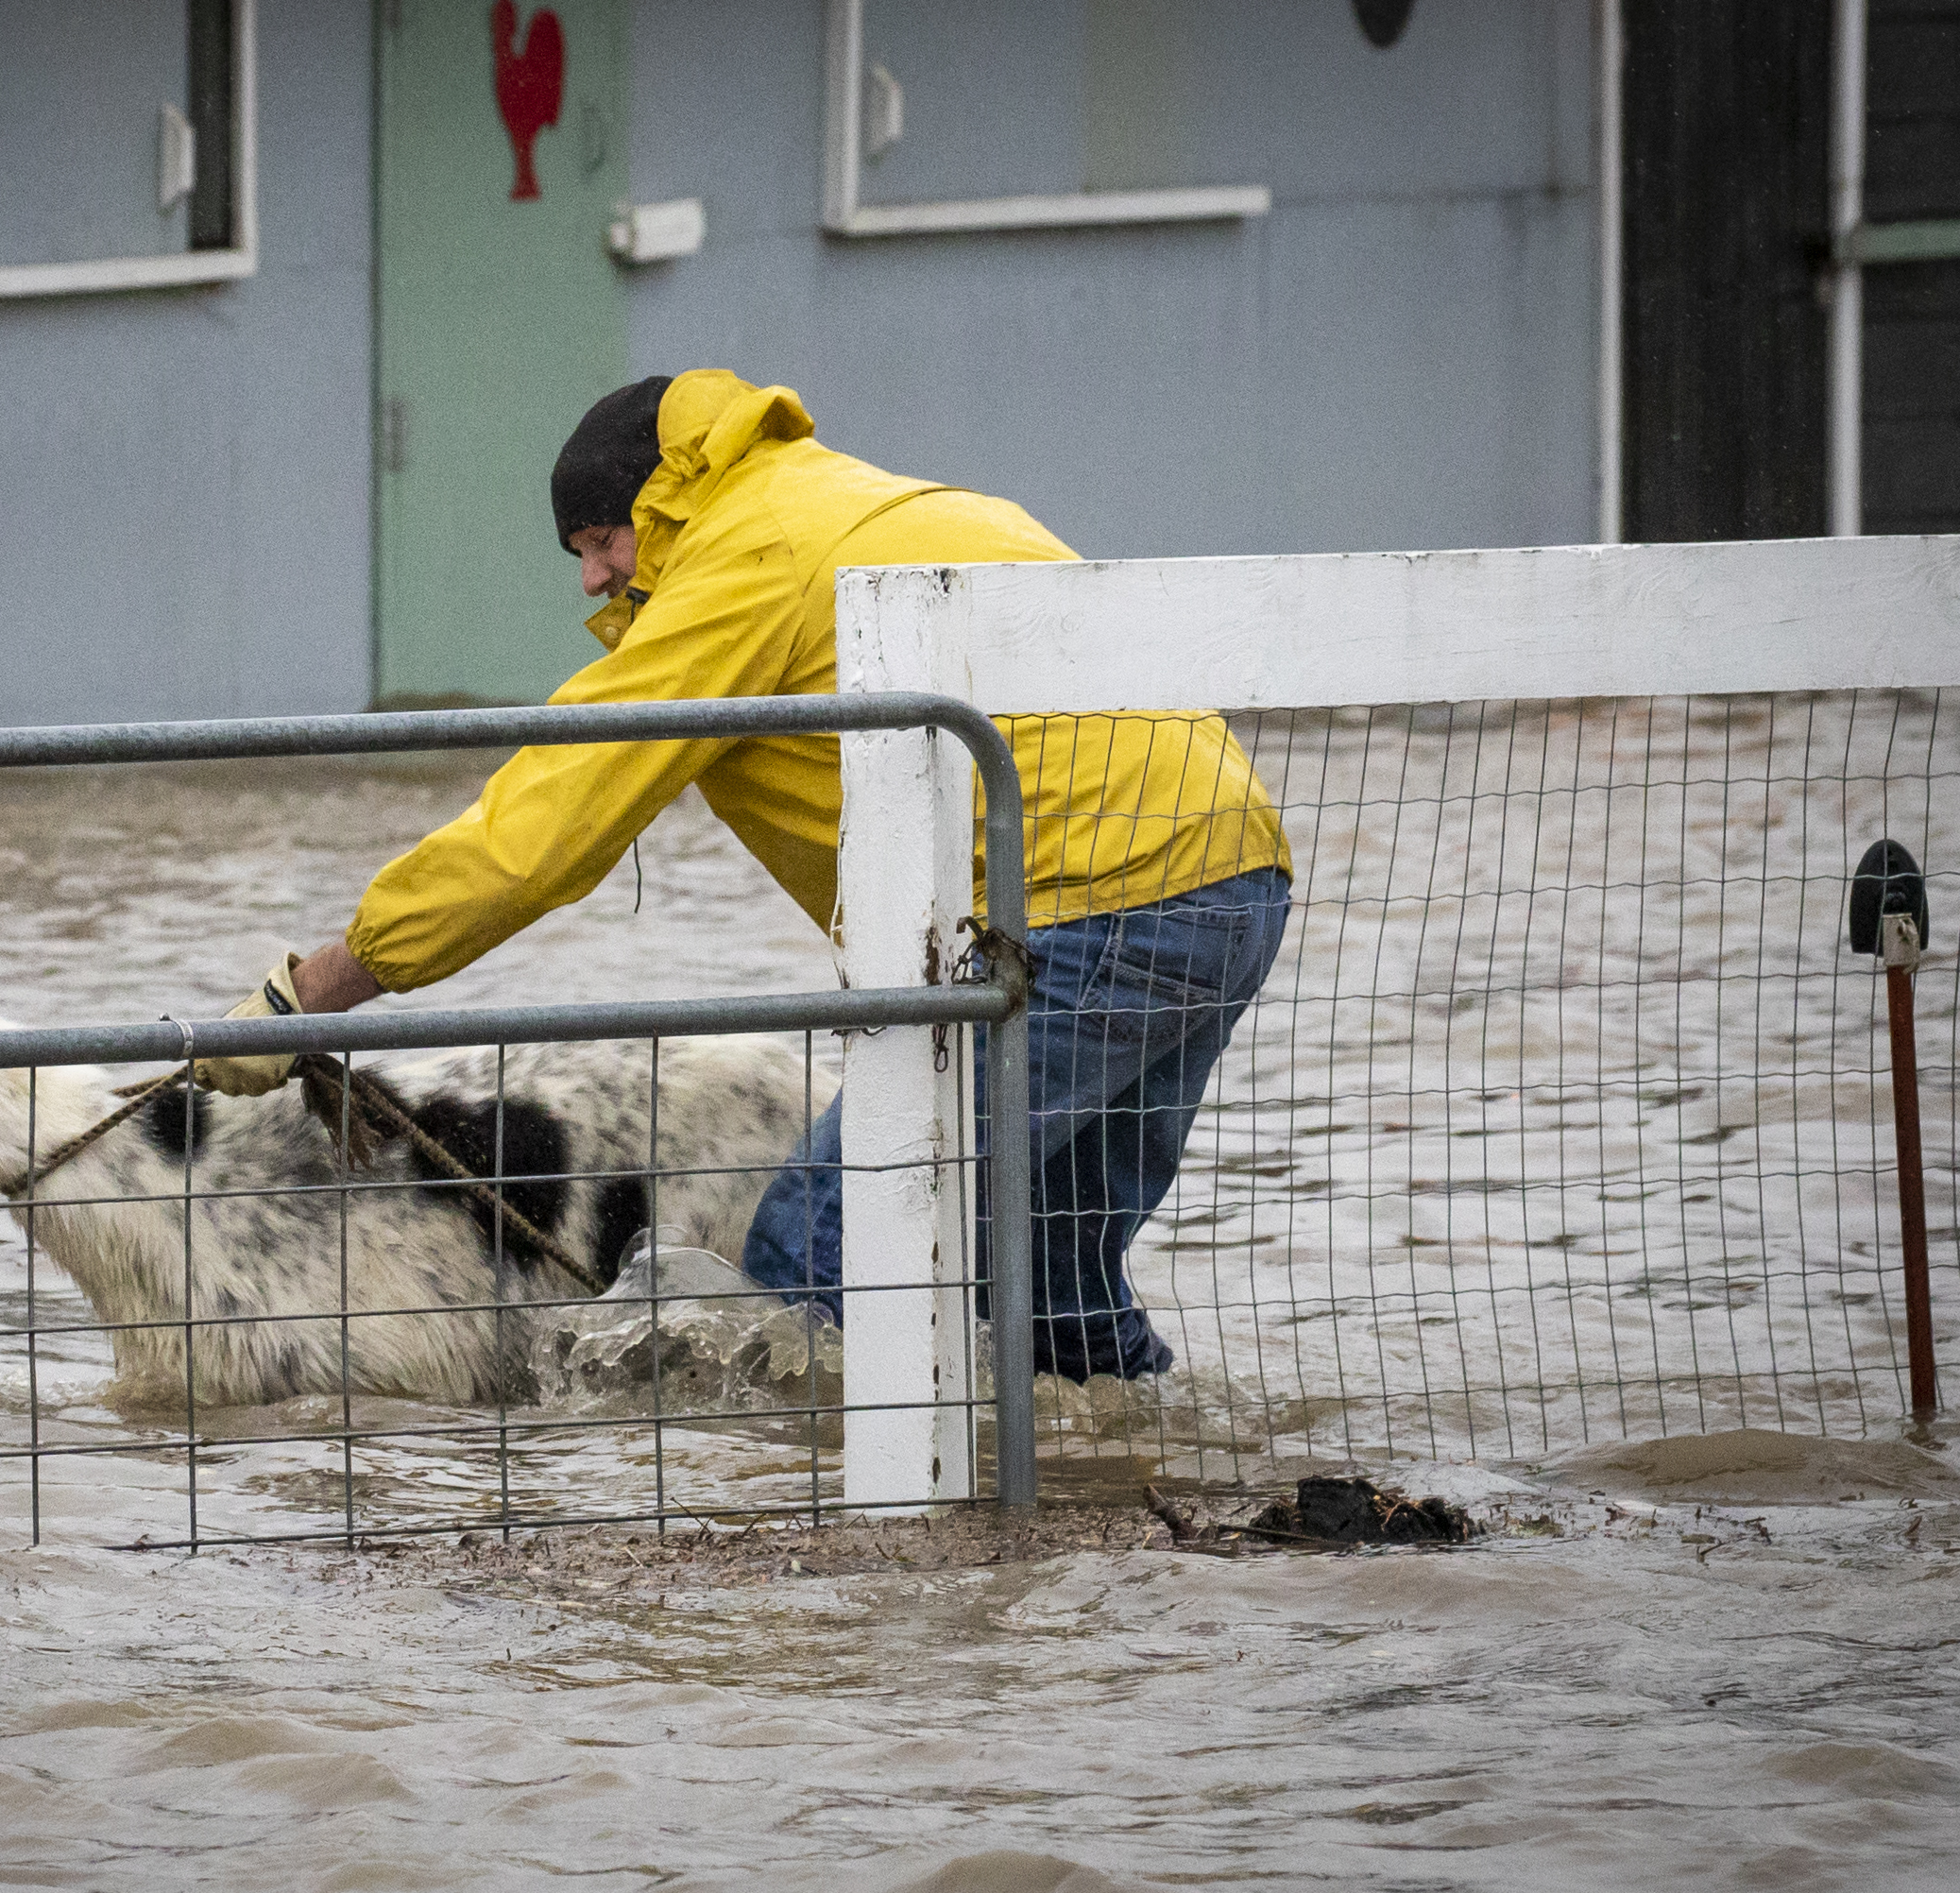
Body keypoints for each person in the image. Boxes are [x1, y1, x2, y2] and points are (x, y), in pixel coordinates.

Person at [191, 369, 1290, 1381]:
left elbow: (551, 816)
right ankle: (1141, 1509)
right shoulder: (830, 502)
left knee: (819, 1242)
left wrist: (319, 989)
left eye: (597, 539)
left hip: (1091, 902)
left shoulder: (742, 555)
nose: (591, 575)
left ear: (657, 503)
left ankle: (834, 1558)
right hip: (1230, 879)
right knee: (1054, 1280)